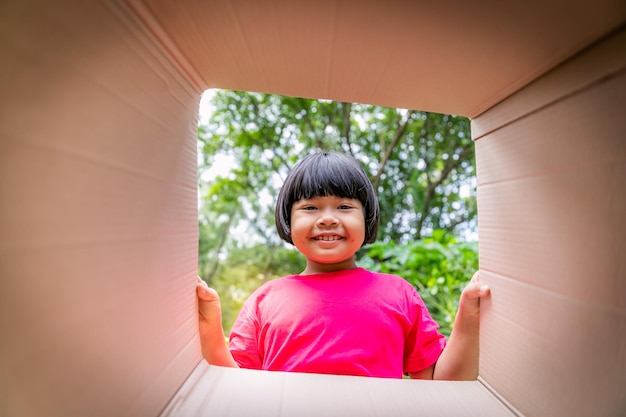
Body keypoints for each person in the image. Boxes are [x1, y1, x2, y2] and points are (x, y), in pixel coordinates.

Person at [196, 151, 490, 380]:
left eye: (344, 207)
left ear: (367, 219)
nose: (327, 218)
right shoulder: (264, 300)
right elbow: (234, 385)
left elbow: (441, 385)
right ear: (288, 220)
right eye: (310, 207)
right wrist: (209, 329)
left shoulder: (399, 293)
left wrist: (469, 318)